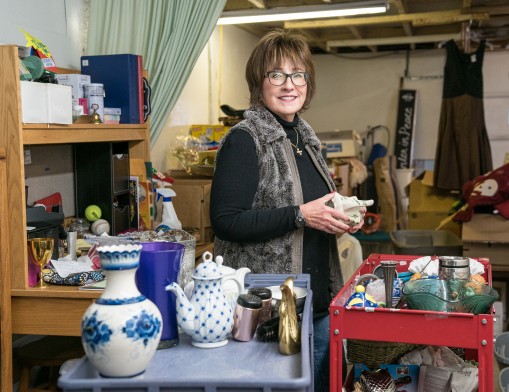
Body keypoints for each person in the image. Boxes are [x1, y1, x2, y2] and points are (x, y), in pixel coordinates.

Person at [210, 28, 365, 391]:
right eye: (276, 75)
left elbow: (310, 206)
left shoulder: (305, 140)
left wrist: (337, 216)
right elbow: (225, 221)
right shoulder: (246, 140)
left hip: (319, 300)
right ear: (258, 82)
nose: (288, 85)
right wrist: (300, 215)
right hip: (276, 309)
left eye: (298, 75)